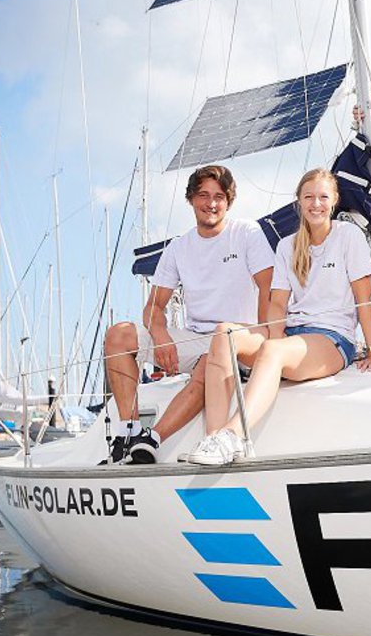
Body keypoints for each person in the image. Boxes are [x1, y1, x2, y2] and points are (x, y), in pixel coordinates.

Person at [187, 168, 371, 465]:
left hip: (332, 338)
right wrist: (274, 341)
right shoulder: (286, 245)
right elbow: (277, 304)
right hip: (292, 334)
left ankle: (233, 435)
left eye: (323, 197)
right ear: (299, 202)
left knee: (274, 350)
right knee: (224, 333)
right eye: (309, 197)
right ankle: (214, 438)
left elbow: (363, 298)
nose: (316, 204)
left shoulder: (349, 236)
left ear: (334, 201)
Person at [101, 164, 273, 464]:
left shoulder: (247, 233)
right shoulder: (179, 247)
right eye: (204, 195)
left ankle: (152, 438)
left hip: (239, 338)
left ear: (228, 201)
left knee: (214, 354)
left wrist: (265, 341)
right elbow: (154, 306)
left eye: (220, 196)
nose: (212, 203)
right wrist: (161, 335)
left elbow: (268, 288)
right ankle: (125, 434)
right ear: (191, 199)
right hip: (194, 338)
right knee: (119, 335)